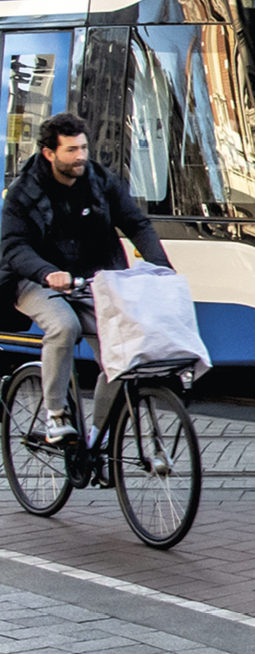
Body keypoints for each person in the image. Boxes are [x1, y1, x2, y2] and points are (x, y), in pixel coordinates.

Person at [0, 113, 172, 444]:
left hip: (92, 278)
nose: (80, 156)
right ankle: (56, 414)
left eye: (83, 148)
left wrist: (161, 267)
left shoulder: (100, 181)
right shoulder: (22, 192)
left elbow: (136, 223)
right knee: (65, 326)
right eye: (71, 150)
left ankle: (98, 435)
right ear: (49, 153)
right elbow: (13, 247)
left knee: (121, 349)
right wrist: (47, 272)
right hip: (33, 279)